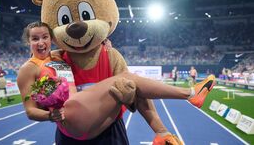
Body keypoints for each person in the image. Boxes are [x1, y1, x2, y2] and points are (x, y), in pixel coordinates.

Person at [17, 22, 216, 142]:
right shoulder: (28, 69)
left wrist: (101, 41)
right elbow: (30, 111)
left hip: (86, 114)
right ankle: (190, 94)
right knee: (127, 79)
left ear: (52, 39)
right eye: (35, 39)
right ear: (29, 42)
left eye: (45, 37)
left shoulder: (58, 58)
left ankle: (163, 134)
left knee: (130, 88)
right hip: (69, 118)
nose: (41, 42)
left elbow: (76, 48)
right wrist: (50, 116)